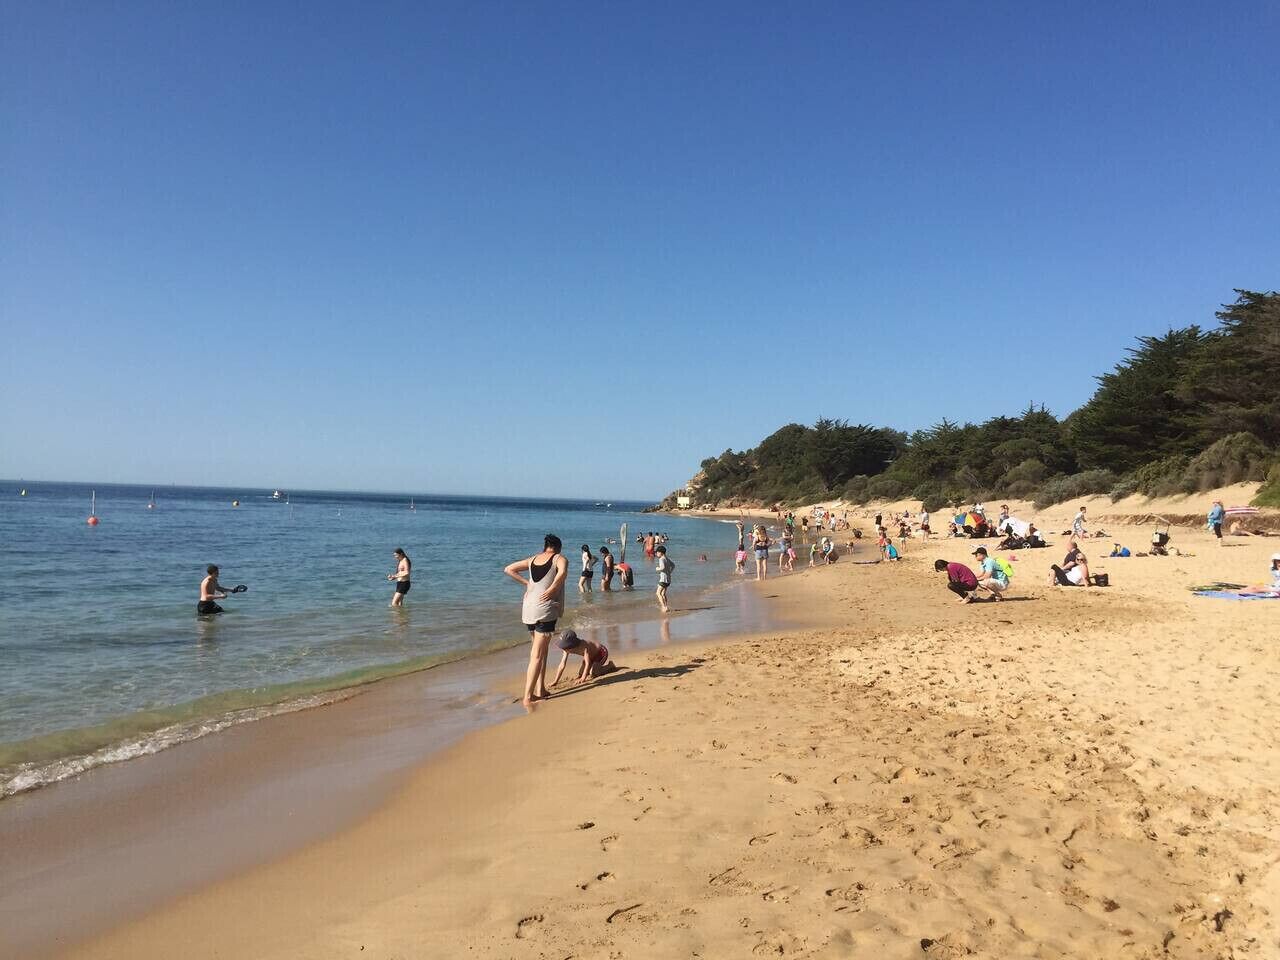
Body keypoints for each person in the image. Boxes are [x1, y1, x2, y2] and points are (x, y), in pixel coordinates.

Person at [504, 534, 569, 707]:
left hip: (528, 608)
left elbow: (509, 569)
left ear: (545, 547)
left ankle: (540, 689)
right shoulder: (560, 559)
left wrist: (527, 583)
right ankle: (528, 697)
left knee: (541, 651)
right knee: (537, 655)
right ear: (558, 548)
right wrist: (553, 588)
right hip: (545, 609)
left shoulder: (532, 559)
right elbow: (563, 573)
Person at [549, 629, 616, 687]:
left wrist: (583, 678)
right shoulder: (566, 649)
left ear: (571, 645)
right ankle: (591, 669)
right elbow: (562, 665)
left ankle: (610, 666)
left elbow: (587, 663)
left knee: (593, 672)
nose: (563, 648)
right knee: (580, 673)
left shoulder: (583, 646)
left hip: (601, 652)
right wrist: (555, 681)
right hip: (590, 656)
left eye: (564, 645)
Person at [655, 544, 674, 612]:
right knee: (663, 594)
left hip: (663, 580)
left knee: (658, 593)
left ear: (661, 552)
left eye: (657, 552)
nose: (656, 554)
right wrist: (670, 572)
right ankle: (666, 606)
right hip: (668, 580)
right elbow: (673, 565)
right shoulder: (667, 559)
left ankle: (664, 607)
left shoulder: (661, 559)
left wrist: (658, 569)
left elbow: (662, 567)